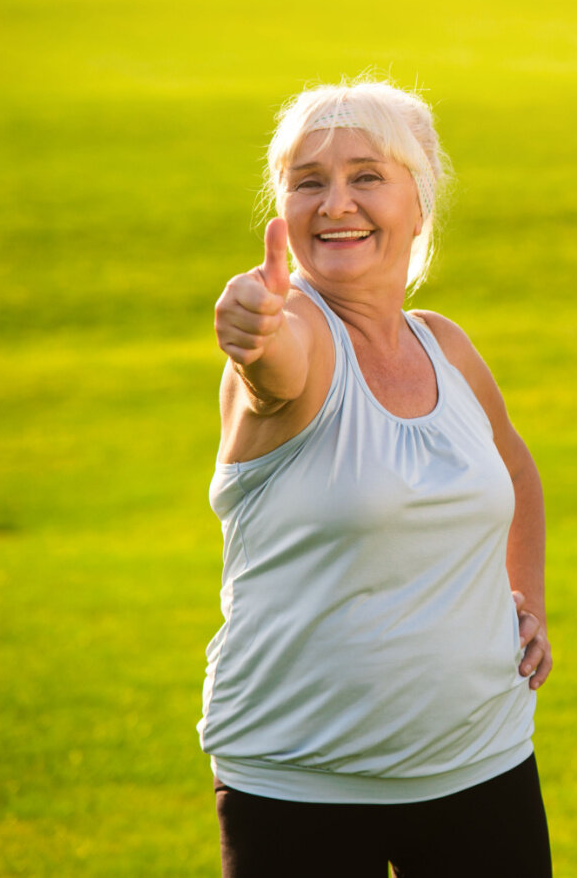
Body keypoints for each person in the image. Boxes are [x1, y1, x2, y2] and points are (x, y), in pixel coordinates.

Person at [203, 79, 553, 876]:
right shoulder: (294, 333)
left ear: (419, 204)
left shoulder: (446, 347)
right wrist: (248, 333)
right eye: (308, 181)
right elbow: (272, 373)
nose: (335, 204)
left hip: (482, 765)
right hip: (301, 789)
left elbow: (513, 466)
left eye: (366, 176)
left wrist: (525, 597)